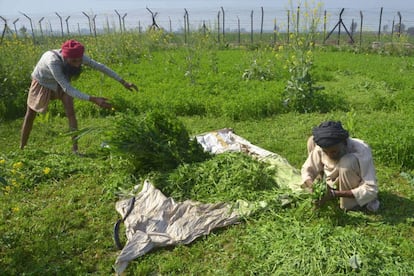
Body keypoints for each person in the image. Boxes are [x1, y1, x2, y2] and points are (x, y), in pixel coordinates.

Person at [20, 39, 138, 154]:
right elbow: (67, 88)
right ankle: (22, 147)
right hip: (42, 83)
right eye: (74, 61)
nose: (77, 65)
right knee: (30, 114)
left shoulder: (78, 57)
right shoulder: (53, 62)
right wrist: (93, 99)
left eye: (79, 61)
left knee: (71, 113)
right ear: (66, 58)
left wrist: (123, 82)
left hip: (61, 82)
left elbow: (100, 67)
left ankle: (75, 150)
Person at [301, 121, 380, 212]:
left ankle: (350, 204)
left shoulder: (361, 149)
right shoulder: (324, 146)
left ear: (344, 143)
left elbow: (371, 189)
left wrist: (334, 194)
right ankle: (326, 191)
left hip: (353, 185)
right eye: (326, 152)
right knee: (311, 141)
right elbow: (307, 170)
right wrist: (314, 187)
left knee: (347, 162)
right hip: (331, 182)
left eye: (334, 152)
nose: (329, 155)